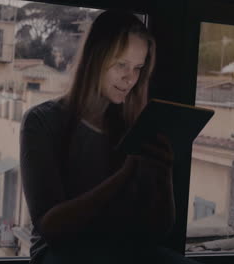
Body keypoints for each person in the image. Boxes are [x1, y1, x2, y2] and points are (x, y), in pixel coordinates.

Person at [20, 9, 201, 264]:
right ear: (95, 59)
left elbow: (158, 230)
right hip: (61, 255)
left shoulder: (134, 126)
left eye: (138, 68)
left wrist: (164, 176)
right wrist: (125, 174)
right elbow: (51, 227)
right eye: (121, 65)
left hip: (122, 251)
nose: (130, 78)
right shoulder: (41, 121)